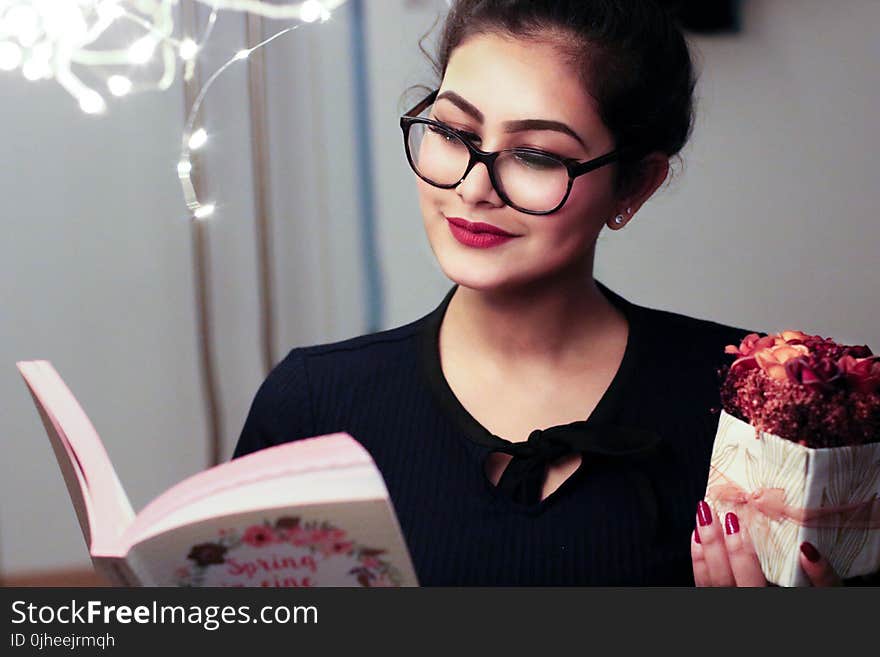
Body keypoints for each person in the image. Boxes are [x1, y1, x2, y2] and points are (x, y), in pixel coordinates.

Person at [233, 0, 848, 586]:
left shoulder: (756, 398)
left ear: (634, 184)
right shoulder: (313, 405)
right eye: (450, 130)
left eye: (534, 153)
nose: (474, 188)